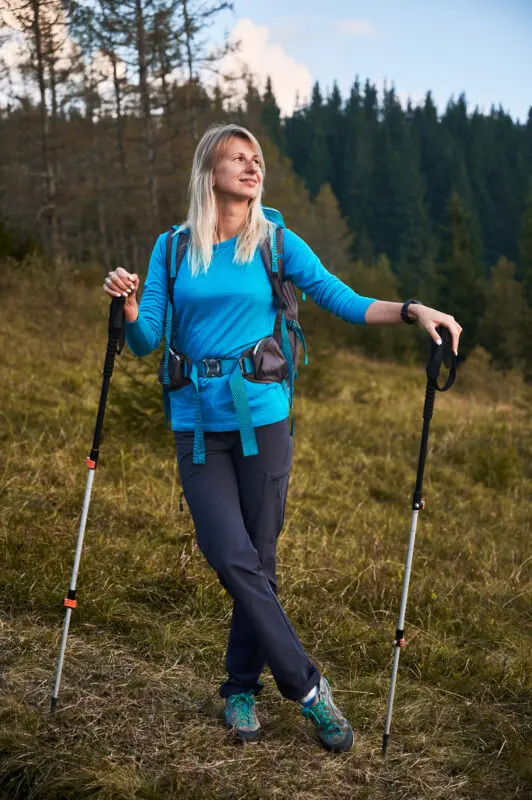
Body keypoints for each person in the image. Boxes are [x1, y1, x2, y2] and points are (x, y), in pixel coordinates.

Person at [103, 123, 462, 753]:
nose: (251, 167)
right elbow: (144, 341)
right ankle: (308, 689)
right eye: (236, 158)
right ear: (207, 171)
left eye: (256, 159)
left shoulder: (275, 241)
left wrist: (412, 311)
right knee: (228, 552)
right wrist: (131, 310)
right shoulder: (171, 248)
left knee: (259, 558)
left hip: (261, 415)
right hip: (195, 424)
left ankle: (240, 688)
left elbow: (342, 299)